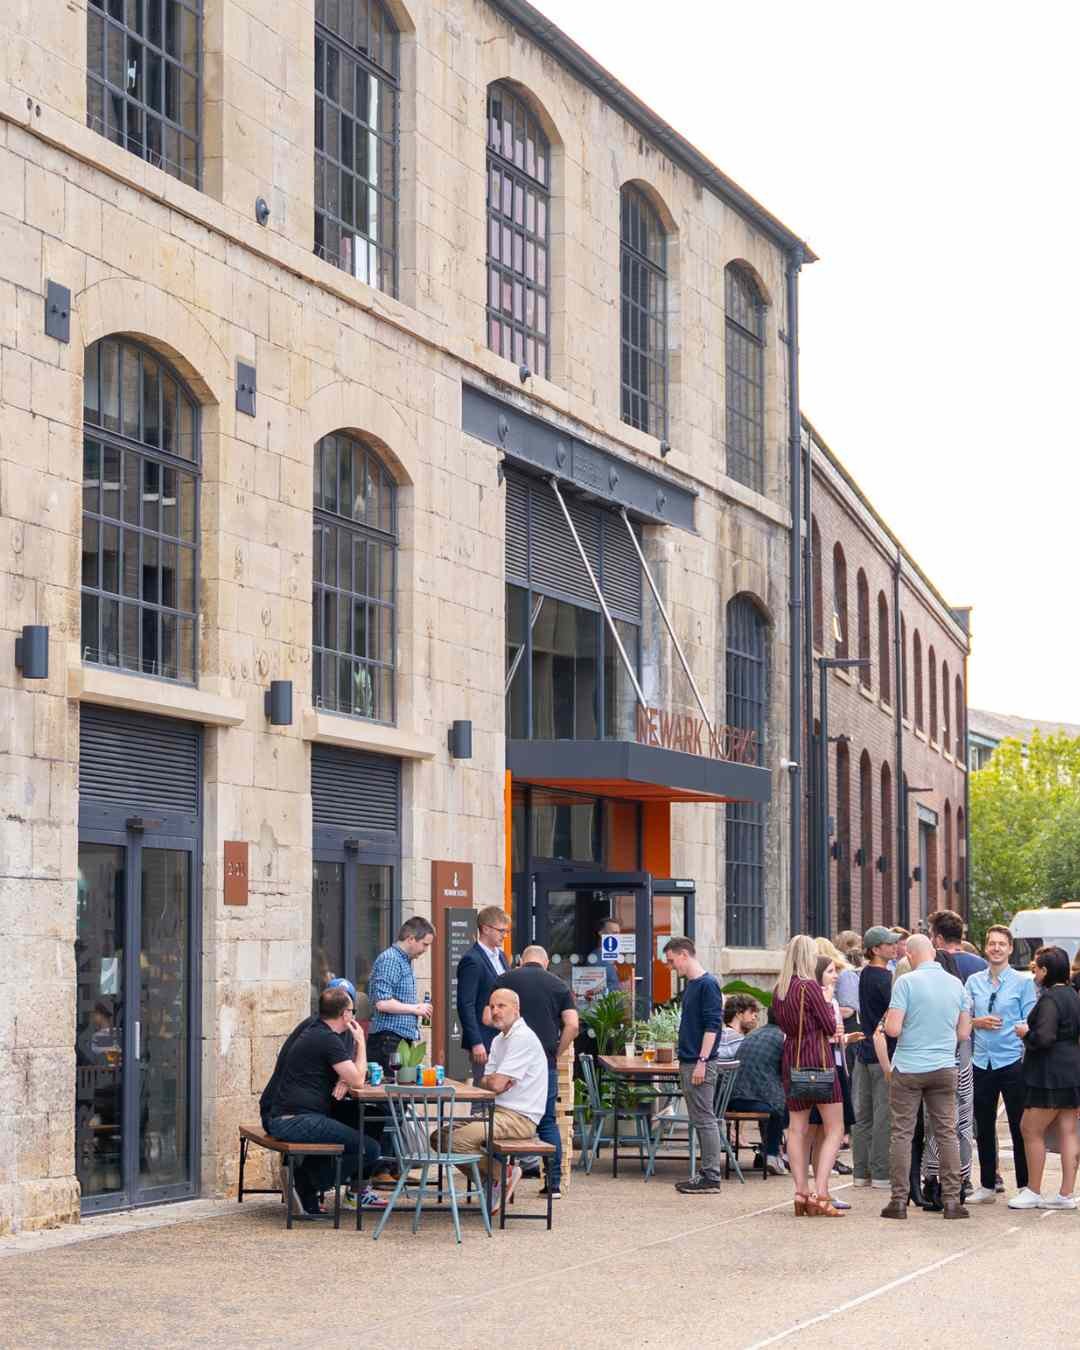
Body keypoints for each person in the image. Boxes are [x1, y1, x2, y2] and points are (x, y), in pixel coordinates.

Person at [262, 985, 381, 1215]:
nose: (354, 1015)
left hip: (296, 1114)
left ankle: (308, 1182)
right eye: (352, 1011)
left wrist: (342, 1079)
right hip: (296, 1120)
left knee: (369, 1118)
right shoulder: (327, 1039)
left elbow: (342, 1073)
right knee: (369, 1149)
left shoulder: (316, 1030)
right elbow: (358, 1079)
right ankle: (307, 1180)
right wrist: (361, 1043)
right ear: (345, 1014)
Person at [880, 934, 971, 1220]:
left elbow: (892, 1029)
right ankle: (952, 1201)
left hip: (908, 1066)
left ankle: (898, 1201)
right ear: (933, 952)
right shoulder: (956, 985)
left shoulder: (905, 983)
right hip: (944, 1066)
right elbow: (963, 1033)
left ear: (908, 956)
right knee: (946, 1133)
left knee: (902, 1134)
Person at [442, 988, 548, 1209]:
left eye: (502, 1006)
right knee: (440, 1136)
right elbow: (486, 1082)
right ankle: (495, 1180)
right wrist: (495, 1081)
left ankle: (500, 1176)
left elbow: (496, 1084)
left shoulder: (522, 1038)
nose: (496, 1011)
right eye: (492, 1007)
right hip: (498, 1112)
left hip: (519, 1118)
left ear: (516, 1008)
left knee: (456, 1140)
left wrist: (496, 1081)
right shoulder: (500, 1040)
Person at [492, 944, 579, 1198]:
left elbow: (489, 1017)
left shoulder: (504, 980)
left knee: (499, 1115)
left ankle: (499, 1180)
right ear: (546, 963)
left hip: (508, 1062)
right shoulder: (558, 985)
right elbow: (572, 1025)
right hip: (544, 1065)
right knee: (548, 1121)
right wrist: (555, 1051)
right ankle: (552, 1184)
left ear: (520, 961)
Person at [772, 934, 846, 1217]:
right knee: (834, 1128)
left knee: (796, 1129)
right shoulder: (811, 987)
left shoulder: (780, 988)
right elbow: (829, 1027)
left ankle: (800, 1191)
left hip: (792, 1058)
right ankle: (822, 1192)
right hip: (819, 1059)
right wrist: (827, 1003)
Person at [963, 925, 1037, 1205]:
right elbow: (962, 1019)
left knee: (1019, 1124)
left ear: (1009, 948)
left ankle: (1025, 1185)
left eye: (1001, 944)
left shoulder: (1022, 982)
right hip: (982, 1061)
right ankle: (987, 1184)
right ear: (985, 947)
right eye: (991, 943)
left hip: (1012, 1061)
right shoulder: (973, 981)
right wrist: (977, 1022)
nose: (996, 948)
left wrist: (1020, 1031)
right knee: (983, 1124)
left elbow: (1030, 1020)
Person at [920, 909, 987, 1207]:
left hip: (934, 1055)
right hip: (967, 1054)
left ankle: (932, 1179)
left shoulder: (925, 970)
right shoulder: (979, 965)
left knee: (936, 1122)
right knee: (963, 1123)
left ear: (936, 937)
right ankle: (963, 1179)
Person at [1008, 946, 1080, 1210]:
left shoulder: (1050, 999)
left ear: (1046, 971)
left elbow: (1045, 1037)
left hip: (1048, 1074)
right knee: (1068, 1131)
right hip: (1072, 1071)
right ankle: (1065, 1194)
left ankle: (1034, 1190)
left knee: (1030, 1128)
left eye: (1036, 968)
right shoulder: (1073, 995)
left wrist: (1026, 1033)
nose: (1034, 972)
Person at [367, 916, 435, 1182]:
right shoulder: (390, 959)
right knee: (388, 1105)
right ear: (410, 939)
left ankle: (393, 1166)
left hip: (402, 1039)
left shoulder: (403, 962)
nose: (425, 950)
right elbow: (380, 1001)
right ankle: (381, 1169)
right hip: (389, 1039)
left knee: (399, 1104)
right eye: (425, 944)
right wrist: (414, 1008)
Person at [663, 937, 725, 1194]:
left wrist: (702, 1061)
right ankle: (707, 1173)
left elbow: (713, 1025)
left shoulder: (706, 984)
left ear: (684, 954)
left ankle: (711, 1175)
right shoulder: (693, 985)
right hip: (690, 1060)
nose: (670, 966)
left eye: (671, 960)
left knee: (704, 1119)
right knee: (701, 1119)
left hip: (699, 1062)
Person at [851, 927, 898, 1191]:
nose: (894, 947)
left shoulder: (865, 974)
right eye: (889, 944)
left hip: (864, 1051)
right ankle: (881, 1173)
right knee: (883, 1116)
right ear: (876, 949)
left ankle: (861, 1172)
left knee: (863, 1117)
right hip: (883, 1053)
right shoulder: (884, 978)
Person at [457, 906, 511, 1085]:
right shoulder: (472, 960)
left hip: (503, 1036)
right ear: (485, 929)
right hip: (484, 1039)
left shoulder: (501, 956)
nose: (504, 935)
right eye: (501, 931)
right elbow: (466, 1004)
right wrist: (476, 1042)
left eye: (506, 931)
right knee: (484, 1091)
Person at [731, 1007, 788, 1175]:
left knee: (772, 1102)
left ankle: (768, 1152)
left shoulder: (754, 1034)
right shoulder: (784, 1038)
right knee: (782, 1108)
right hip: (757, 1103)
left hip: (732, 1099)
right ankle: (772, 1154)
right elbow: (788, 1072)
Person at [717, 995, 759, 1059]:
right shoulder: (740, 1041)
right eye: (751, 1012)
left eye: (755, 1015)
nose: (754, 1018)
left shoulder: (718, 1037)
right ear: (739, 1014)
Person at [592, 918, 623, 992]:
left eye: (619, 933)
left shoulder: (614, 957)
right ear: (601, 933)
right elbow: (594, 992)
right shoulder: (595, 959)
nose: (618, 936)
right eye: (614, 933)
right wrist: (622, 986)